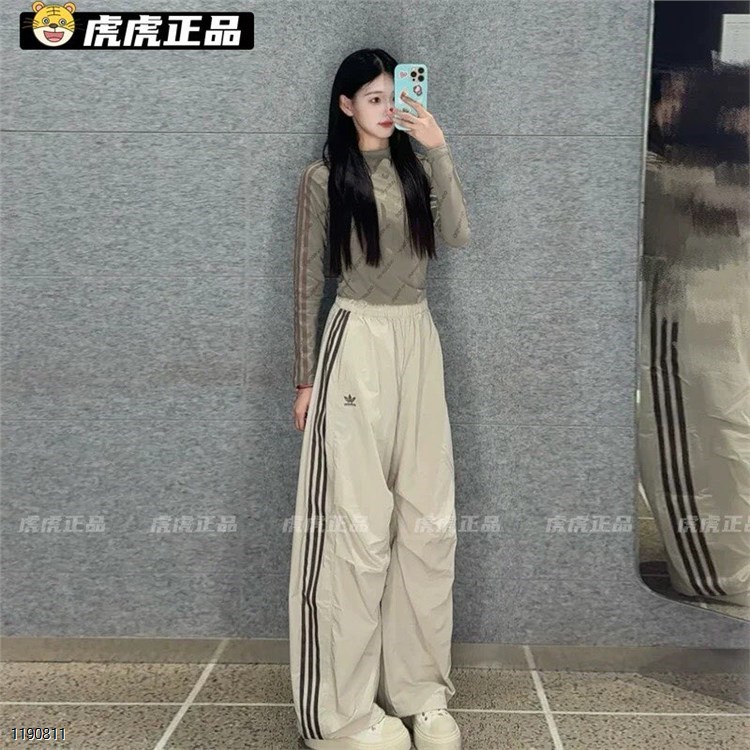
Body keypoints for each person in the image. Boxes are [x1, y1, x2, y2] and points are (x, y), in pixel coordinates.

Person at [288, 48, 470, 750]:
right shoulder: (323, 178)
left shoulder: (417, 168)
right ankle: (341, 715)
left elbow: (457, 234)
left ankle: (420, 694)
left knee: (427, 523)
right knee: (355, 531)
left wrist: (439, 148)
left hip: (418, 340)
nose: (387, 108)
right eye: (373, 97)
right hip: (356, 341)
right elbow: (307, 278)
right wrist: (306, 377)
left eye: (394, 95)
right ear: (346, 106)